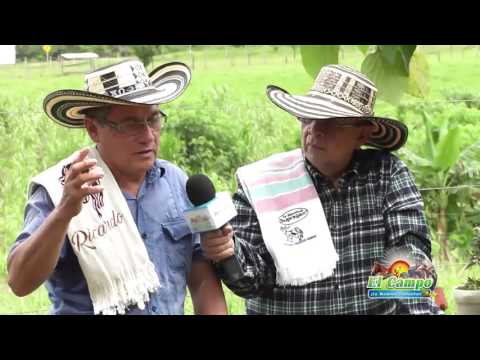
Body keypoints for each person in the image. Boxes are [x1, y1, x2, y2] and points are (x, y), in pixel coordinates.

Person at [201, 64, 441, 314]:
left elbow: (409, 253)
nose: (313, 130)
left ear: (362, 135)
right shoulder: (263, 183)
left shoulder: (386, 175)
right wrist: (228, 252)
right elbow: (250, 282)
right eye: (307, 118)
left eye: (330, 122)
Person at [7, 59, 227, 315]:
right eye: (130, 124)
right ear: (93, 129)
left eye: (153, 119)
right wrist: (65, 212)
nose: (148, 135)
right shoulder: (62, 189)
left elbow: (201, 277)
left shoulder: (175, 181)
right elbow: (19, 282)